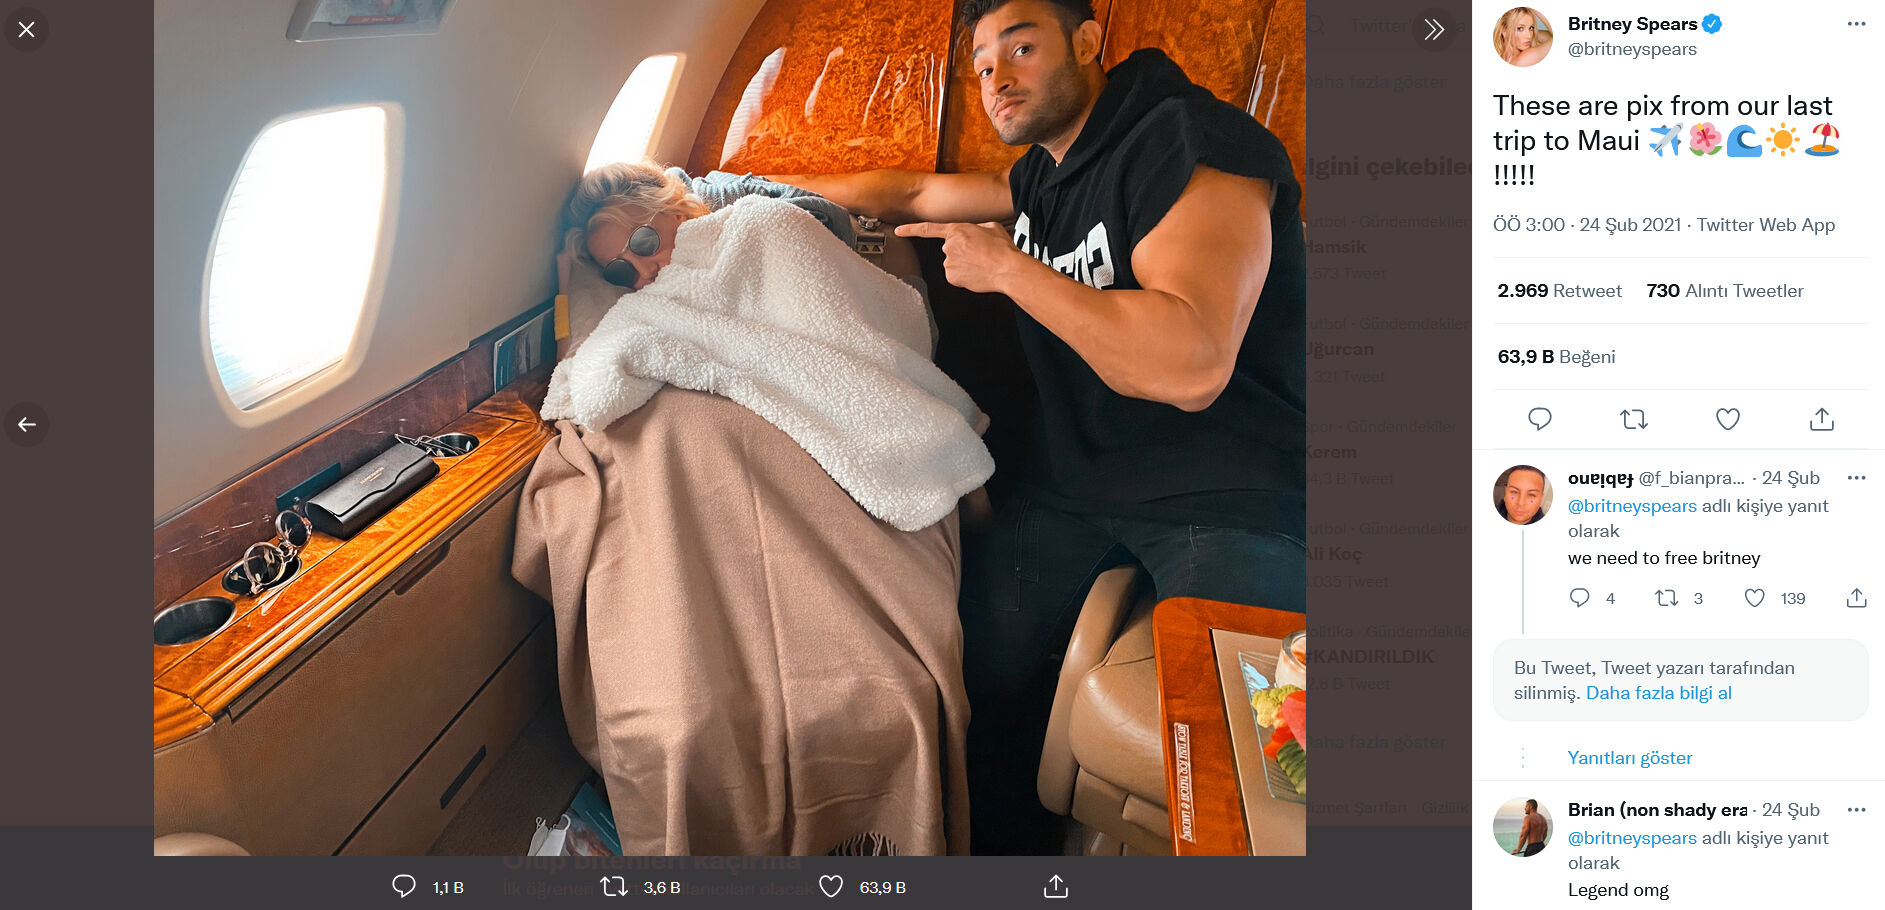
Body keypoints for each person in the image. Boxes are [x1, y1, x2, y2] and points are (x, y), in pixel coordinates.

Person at [775, 0, 1305, 853]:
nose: (997, 78)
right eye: (983, 63)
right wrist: (732, 191)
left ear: (1087, 42)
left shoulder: (1193, 143)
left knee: (1256, 768)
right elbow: (910, 193)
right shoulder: (1040, 177)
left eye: (1021, 47)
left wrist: (1009, 269)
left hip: (1232, 488)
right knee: (962, 680)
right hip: (1074, 489)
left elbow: (1192, 363)